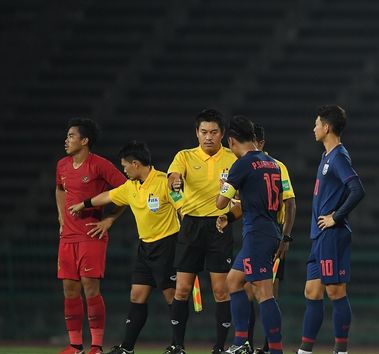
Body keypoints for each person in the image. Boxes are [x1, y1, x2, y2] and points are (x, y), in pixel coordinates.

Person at [68, 141, 181, 354]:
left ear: (136, 164)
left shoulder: (164, 181)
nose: (124, 170)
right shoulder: (131, 187)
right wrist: (84, 204)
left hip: (167, 246)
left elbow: (182, 205)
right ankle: (127, 348)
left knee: (172, 296)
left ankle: (177, 346)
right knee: (137, 295)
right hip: (145, 248)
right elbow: (108, 196)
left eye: (125, 166)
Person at [217, 124, 297, 354]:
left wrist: (225, 189)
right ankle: (241, 343)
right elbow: (257, 198)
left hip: (257, 234)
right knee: (233, 281)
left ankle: (276, 350)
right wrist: (230, 218)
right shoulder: (272, 164)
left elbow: (220, 203)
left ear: (231, 142)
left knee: (263, 292)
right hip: (268, 230)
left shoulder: (241, 164)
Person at [165, 109, 238, 354]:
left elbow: (240, 194)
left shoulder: (232, 158)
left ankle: (219, 347)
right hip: (191, 225)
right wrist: (176, 184)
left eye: (214, 132)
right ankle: (177, 345)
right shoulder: (184, 156)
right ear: (197, 133)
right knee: (182, 289)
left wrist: (232, 212)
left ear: (222, 134)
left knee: (220, 289)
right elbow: (173, 178)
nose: (208, 137)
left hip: (219, 225)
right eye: (204, 132)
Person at [56, 117, 127, 354]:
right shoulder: (62, 166)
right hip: (68, 237)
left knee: (90, 288)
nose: (66, 141)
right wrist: (60, 217)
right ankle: (75, 345)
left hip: (91, 234)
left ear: (84, 141)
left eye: (71, 136)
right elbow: (59, 189)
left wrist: (109, 220)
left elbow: (127, 191)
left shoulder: (99, 165)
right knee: (69, 289)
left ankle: (96, 345)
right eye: (67, 136)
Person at [300, 105, 365, 354]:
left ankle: (341, 350)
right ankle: (305, 350)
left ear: (326, 127)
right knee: (312, 291)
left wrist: (336, 217)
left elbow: (358, 190)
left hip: (332, 234)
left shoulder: (338, 156)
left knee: (335, 291)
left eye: (317, 124)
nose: (314, 128)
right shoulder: (327, 156)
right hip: (319, 236)